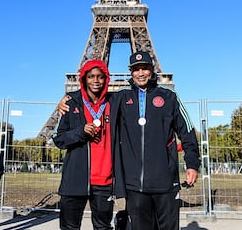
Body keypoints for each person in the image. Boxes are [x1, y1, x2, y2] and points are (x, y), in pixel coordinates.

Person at [58, 51, 200, 230]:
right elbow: (91, 96)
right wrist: (68, 99)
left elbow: (187, 132)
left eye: (145, 68)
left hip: (164, 180)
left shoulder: (169, 97)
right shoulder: (120, 98)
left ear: (152, 69)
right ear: (131, 72)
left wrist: (192, 164)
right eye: (136, 69)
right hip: (134, 184)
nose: (141, 73)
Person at [53, 59, 123, 230]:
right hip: (75, 179)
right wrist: (80, 132)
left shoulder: (115, 102)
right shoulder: (71, 102)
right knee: (69, 227)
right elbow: (59, 139)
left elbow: (138, 91)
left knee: (103, 227)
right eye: (91, 76)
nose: (96, 81)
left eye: (100, 76)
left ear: (106, 78)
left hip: (104, 180)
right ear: (83, 78)